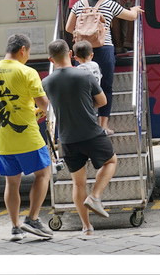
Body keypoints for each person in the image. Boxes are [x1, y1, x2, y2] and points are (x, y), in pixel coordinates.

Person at [0, 34, 53, 242]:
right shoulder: (27, 72)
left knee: (11, 183)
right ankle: (33, 219)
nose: (27, 56)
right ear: (22, 50)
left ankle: (15, 228)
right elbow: (44, 103)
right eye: (28, 52)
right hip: (27, 136)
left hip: (3, 139)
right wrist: (41, 110)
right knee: (43, 174)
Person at [43, 38, 118, 236]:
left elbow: (46, 107)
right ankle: (95, 196)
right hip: (91, 133)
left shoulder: (46, 82)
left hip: (67, 139)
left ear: (51, 60)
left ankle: (86, 226)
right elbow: (102, 101)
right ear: (69, 54)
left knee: (78, 183)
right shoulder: (84, 75)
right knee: (111, 161)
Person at [65, 0, 144, 134]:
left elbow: (68, 28)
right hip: (104, 48)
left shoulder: (79, 4)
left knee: (81, 88)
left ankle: (86, 123)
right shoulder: (110, 4)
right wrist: (134, 9)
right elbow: (131, 16)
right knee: (105, 86)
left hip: (82, 50)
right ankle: (103, 126)